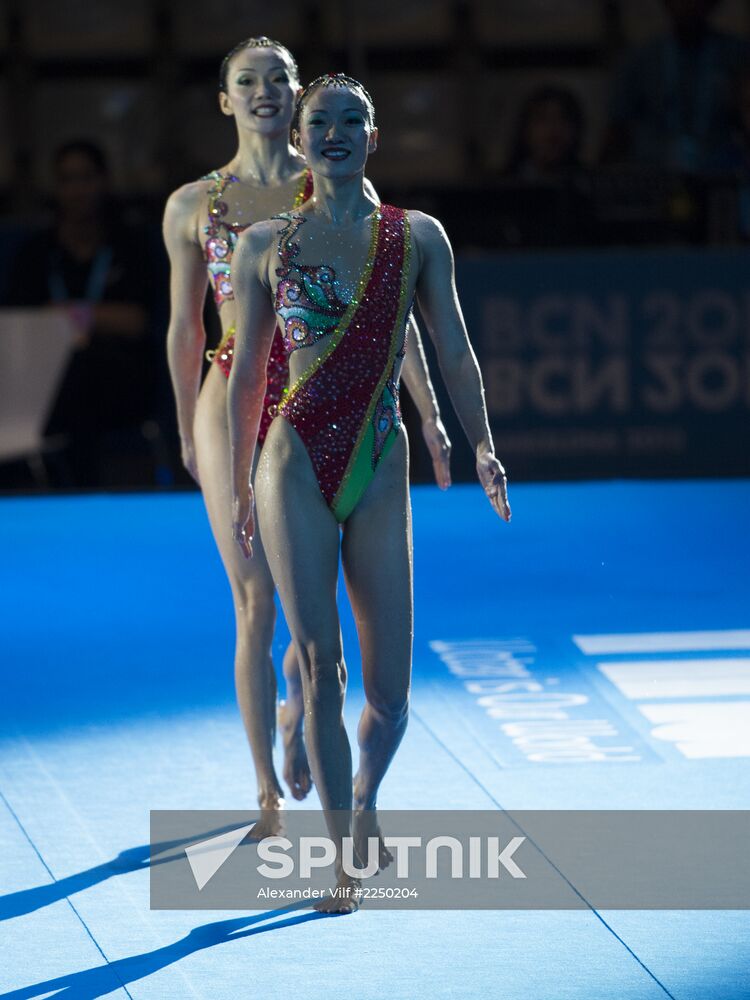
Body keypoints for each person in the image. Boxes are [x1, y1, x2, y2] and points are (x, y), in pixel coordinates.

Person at [228, 73, 510, 913]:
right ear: (303, 142)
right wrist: (243, 479)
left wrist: (483, 440)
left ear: (375, 138)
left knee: (390, 697)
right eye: (322, 123)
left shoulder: (418, 237)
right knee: (322, 664)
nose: (337, 133)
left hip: (381, 463)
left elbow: (453, 350)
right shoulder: (264, 244)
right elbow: (248, 377)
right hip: (292, 461)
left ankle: (367, 795)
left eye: (355, 121)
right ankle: (342, 856)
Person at [163, 41, 451, 836]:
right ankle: (264, 790)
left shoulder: (336, 177)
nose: (264, 92)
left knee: (311, 621)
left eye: (277, 79)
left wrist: (427, 411)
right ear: (225, 100)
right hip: (236, 391)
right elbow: (186, 328)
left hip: (330, 401)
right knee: (255, 597)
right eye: (245, 82)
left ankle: (303, 713)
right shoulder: (194, 204)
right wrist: (192, 426)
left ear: (297, 95)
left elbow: (394, 322)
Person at [4, 139, 153, 486]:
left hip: (120, 377)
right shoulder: (37, 252)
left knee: (84, 368)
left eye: (86, 178)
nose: (78, 190)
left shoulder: (129, 245)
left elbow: (136, 321)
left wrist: (69, 315)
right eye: (68, 180)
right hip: (42, 377)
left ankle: (78, 487)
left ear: (103, 181)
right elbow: (18, 325)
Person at [602, 0, 750, 172]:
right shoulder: (641, 59)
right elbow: (617, 128)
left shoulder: (737, 54)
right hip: (653, 176)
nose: (686, 5)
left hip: (721, 176)